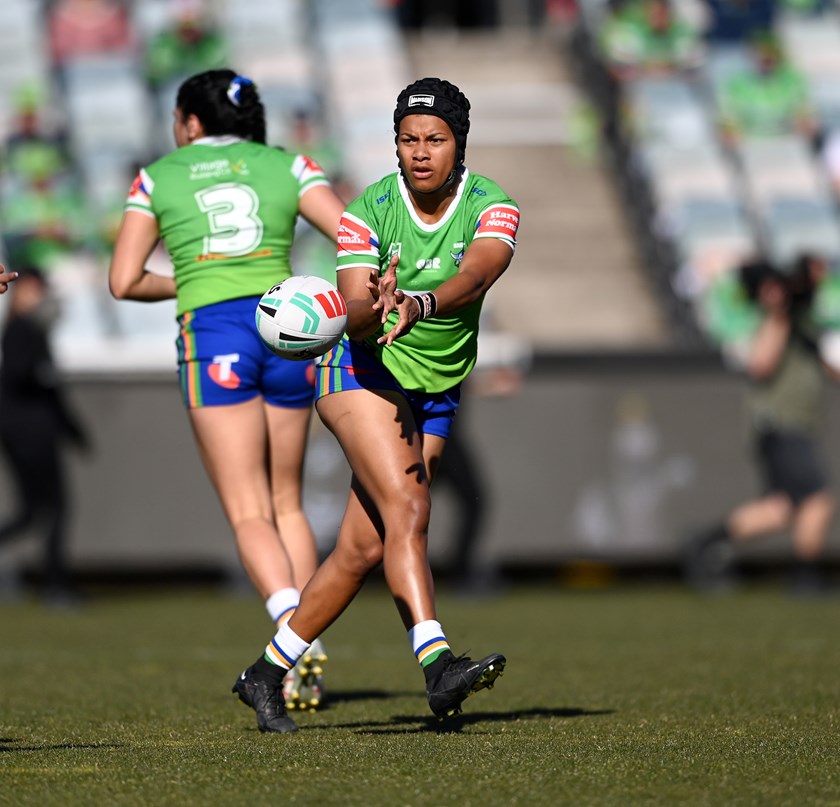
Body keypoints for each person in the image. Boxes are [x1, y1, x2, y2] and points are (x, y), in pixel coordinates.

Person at [232, 77, 519, 733]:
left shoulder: (492, 205)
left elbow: (478, 272)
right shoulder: (367, 211)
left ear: (459, 142)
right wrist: (375, 307)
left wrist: (419, 302)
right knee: (410, 509)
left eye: (435, 139)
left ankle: (265, 673)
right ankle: (438, 665)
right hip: (360, 372)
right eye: (408, 139)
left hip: (438, 384)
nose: (420, 152)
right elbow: (354, 312)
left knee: (363, 548)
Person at [108, 69, 346, 709]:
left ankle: (289, 632)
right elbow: (354, 235)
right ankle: (306, 641)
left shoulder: (159, 176)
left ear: (190, 121)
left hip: (215, 334)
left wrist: (191, 281)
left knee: (248, 510)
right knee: (288, 502)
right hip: (288, 328)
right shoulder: (289, 165)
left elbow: (124, 281)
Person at [684, 254, 837, 594]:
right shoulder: (775, 322)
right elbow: (760, 365)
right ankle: (806, 576)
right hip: (781, 425)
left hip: (794, 425)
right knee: (817, 499)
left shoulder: (802, 325)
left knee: (782, 508)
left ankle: (705, 542)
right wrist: (779, 315)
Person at [0, 266, 89, 603]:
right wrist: (40, 373)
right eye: (37, 290)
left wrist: (73, 430)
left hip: (36, 432)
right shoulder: (19, 330)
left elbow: (52, 392)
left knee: (33, 512)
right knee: (53, 508)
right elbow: (21, 377)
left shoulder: (35, 331)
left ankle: (56, 582)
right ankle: (55, 585)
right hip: (27, 434)